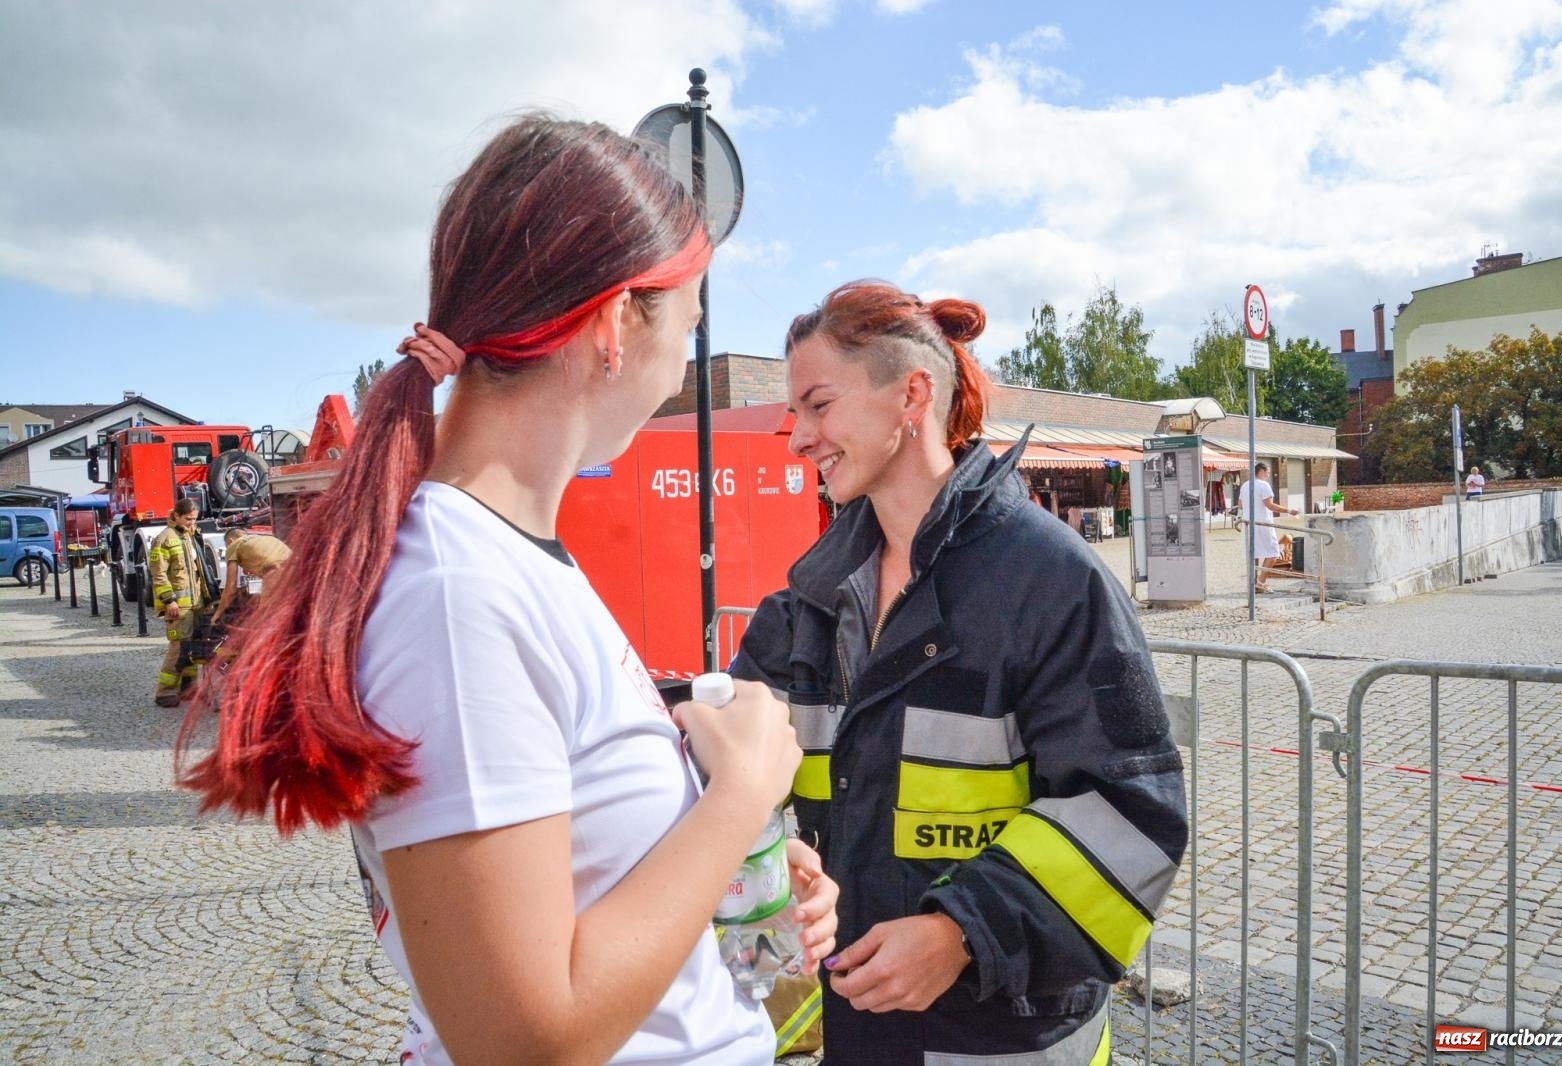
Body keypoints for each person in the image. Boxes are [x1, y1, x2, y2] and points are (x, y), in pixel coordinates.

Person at [177, 115, 838, 1066]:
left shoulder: (503, 558)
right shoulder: (457, 593)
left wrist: (726, 858)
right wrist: (741, 794)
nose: (683, 368)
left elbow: (575, 862)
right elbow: (524, 1038)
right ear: (614, 325)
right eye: (688, 327)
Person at [730, 280, 1188, 1065]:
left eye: (818, 405)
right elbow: (734, 758)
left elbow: (1129, 812)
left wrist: (960, 934)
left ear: (912, 395)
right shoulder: (810, 599)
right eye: (794, 413)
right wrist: (772, 846)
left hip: (1005, 1036)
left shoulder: (1050, 581)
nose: (797, 437)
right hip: (863, 1027)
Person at [149, 498, 210, 707]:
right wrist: (169, 600)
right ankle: (165, 692)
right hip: (178, 605)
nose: (191, 523)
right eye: (187, 519)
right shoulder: (164, 539)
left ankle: (189, 688)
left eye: (194, 519)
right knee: (178, 649)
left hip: (195, 604)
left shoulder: (190, 536)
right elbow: (158, 575)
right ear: (175, 515)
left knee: (192, 648)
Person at [212, 528, 292, 619]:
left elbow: (230, 588)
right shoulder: (263, 539)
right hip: (298, 570)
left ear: (230, 541)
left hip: (275, 573)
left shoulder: (234, 546)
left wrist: (217, 614)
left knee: (265, 617)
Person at [1242, 461, 1297, 594]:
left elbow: (1240, 504)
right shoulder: (1264, 485)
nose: (1268, 475)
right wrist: (1289, 510)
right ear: (1261, 471)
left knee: (1254, 553)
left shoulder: (1245, 485)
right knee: (1273, 553)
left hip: (1249, 523)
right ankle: (1260, 583)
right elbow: (1269, 505)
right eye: (1267, 472)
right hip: (1263, 523)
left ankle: (1254, 583)